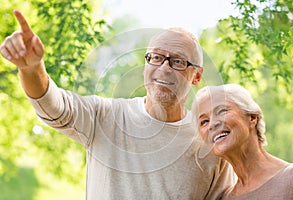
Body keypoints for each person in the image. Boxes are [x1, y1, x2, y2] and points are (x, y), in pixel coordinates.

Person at [0, 10, 235, 199]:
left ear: (196, 76)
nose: (164, 68)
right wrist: (31, 69)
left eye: (178, 61)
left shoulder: (210, 145)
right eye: (155, 57)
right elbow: (54, 106)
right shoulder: (106, 116)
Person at [191, 84, 293, 200]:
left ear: (252, 117)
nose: (212, 124)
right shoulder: (224, 198)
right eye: (204, 121)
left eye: (222, 111)